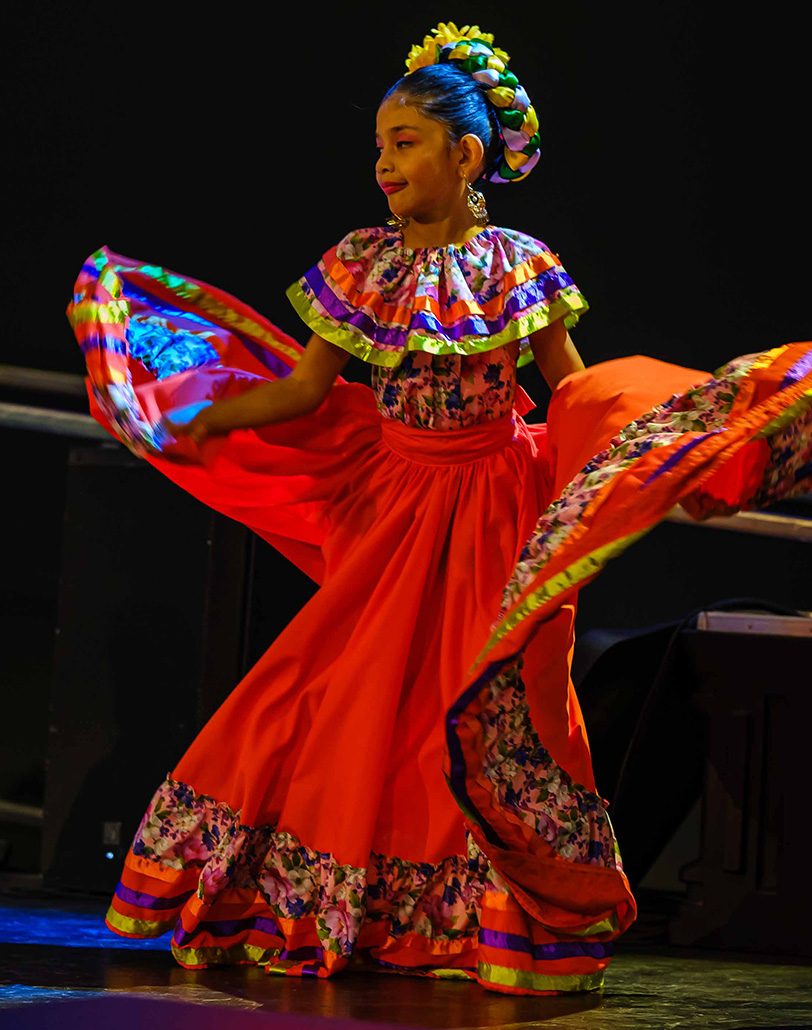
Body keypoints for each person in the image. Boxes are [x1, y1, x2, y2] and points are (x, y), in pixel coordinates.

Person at [68, 23, 811, 996]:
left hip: (493, 506)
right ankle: (332, 900)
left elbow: (571, 390)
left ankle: (485, 915)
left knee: (488, 704)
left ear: (465, 156)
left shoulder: (517, 266)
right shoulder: (363, 264)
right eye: (378, 144)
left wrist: (648, 457)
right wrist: (203, 418)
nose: (383, 162)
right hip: (393, 507)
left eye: (405, 142)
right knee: (343, 694)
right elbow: (302, 390)